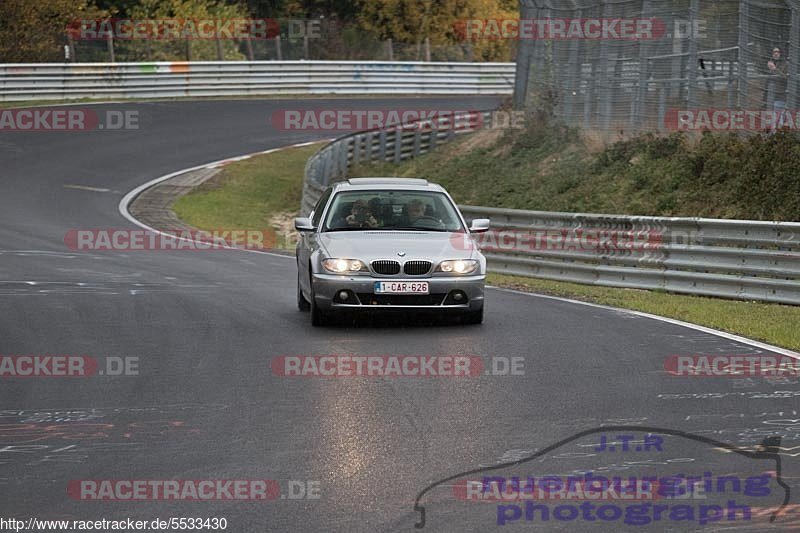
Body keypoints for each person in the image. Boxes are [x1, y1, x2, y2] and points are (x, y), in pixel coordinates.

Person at [766, 47, 789, 130]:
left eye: (778, 52)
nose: (776, 54)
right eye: (774, 52)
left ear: (781, 53)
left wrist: (774, 69)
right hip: (770, 96)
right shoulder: (770, 63)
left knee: (778, 118)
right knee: (772, 118)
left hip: (781, 95)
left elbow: (786, 78)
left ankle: (779, 137)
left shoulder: (786, 64)